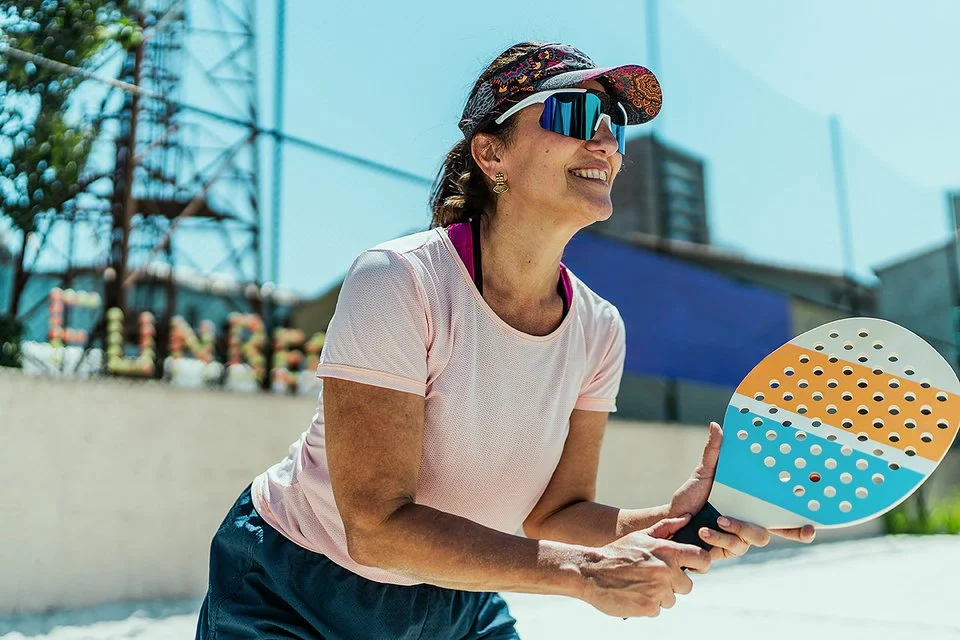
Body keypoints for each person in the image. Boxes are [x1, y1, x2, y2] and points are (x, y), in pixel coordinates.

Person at [195, 41, 816, 639]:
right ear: (492, 155)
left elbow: (554, 514)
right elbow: (376, 528)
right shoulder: (400, 278)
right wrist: (581, 574)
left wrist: (679, 519)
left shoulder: (600, 329)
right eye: (574, 113)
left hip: (458, 593)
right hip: (292, 589)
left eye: (616, 126)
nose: (603, 139)